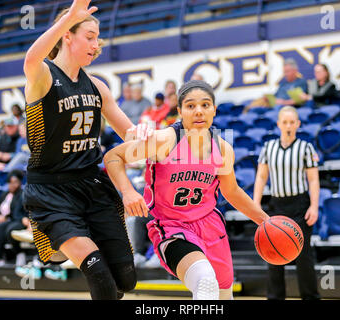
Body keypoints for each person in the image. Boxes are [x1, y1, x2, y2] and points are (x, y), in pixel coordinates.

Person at [21, 0, 152, 300]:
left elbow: (128, 133)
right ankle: (52, 234)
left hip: (91, 186)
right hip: (52, 192)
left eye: (97, 38)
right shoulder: (43, 76)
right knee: (100, 278)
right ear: (67, 35)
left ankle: (70, 237)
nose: (96, 45)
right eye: (89, 36)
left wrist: (141, 133)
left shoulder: (98, 87)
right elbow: (30, 58)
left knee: (126, 280)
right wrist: (68, 18)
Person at [105, 80, 270, 300]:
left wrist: (266, 221)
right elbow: (113, 156)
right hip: (172, 228)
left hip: (211, 227)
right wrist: (128, 192)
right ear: (180, 111)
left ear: (214, 109)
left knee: (223, 297)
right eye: (191, 106)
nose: (199, 111)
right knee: (205, 282)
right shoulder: (165, 140)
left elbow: (232, 191)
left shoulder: (222, 148)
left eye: (205, 105)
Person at [253, 106, 320, 300]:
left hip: (300, 205)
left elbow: (313, 180)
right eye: (285, 122)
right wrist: (256, 203)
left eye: (292, 122)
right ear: (278, 124)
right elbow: (261, 177)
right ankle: (275, 298)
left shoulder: (306, 148)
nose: (289, 126)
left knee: (304, 257)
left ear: (298, 124)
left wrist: (314, 206)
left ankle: (310, 297)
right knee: (273, 256)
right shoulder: (268, 147)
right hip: (277, 206)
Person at [243, 58, 308, 112]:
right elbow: (275, 96)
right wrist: (268, 98)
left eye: (288, 71)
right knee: (257, 105)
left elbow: (300, 99)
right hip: (274, 105)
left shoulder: (301, 82)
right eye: (284, 72)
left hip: (287, 108)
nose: (286, 74)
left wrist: (283, 102)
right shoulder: (283, 84)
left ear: (295, 71)